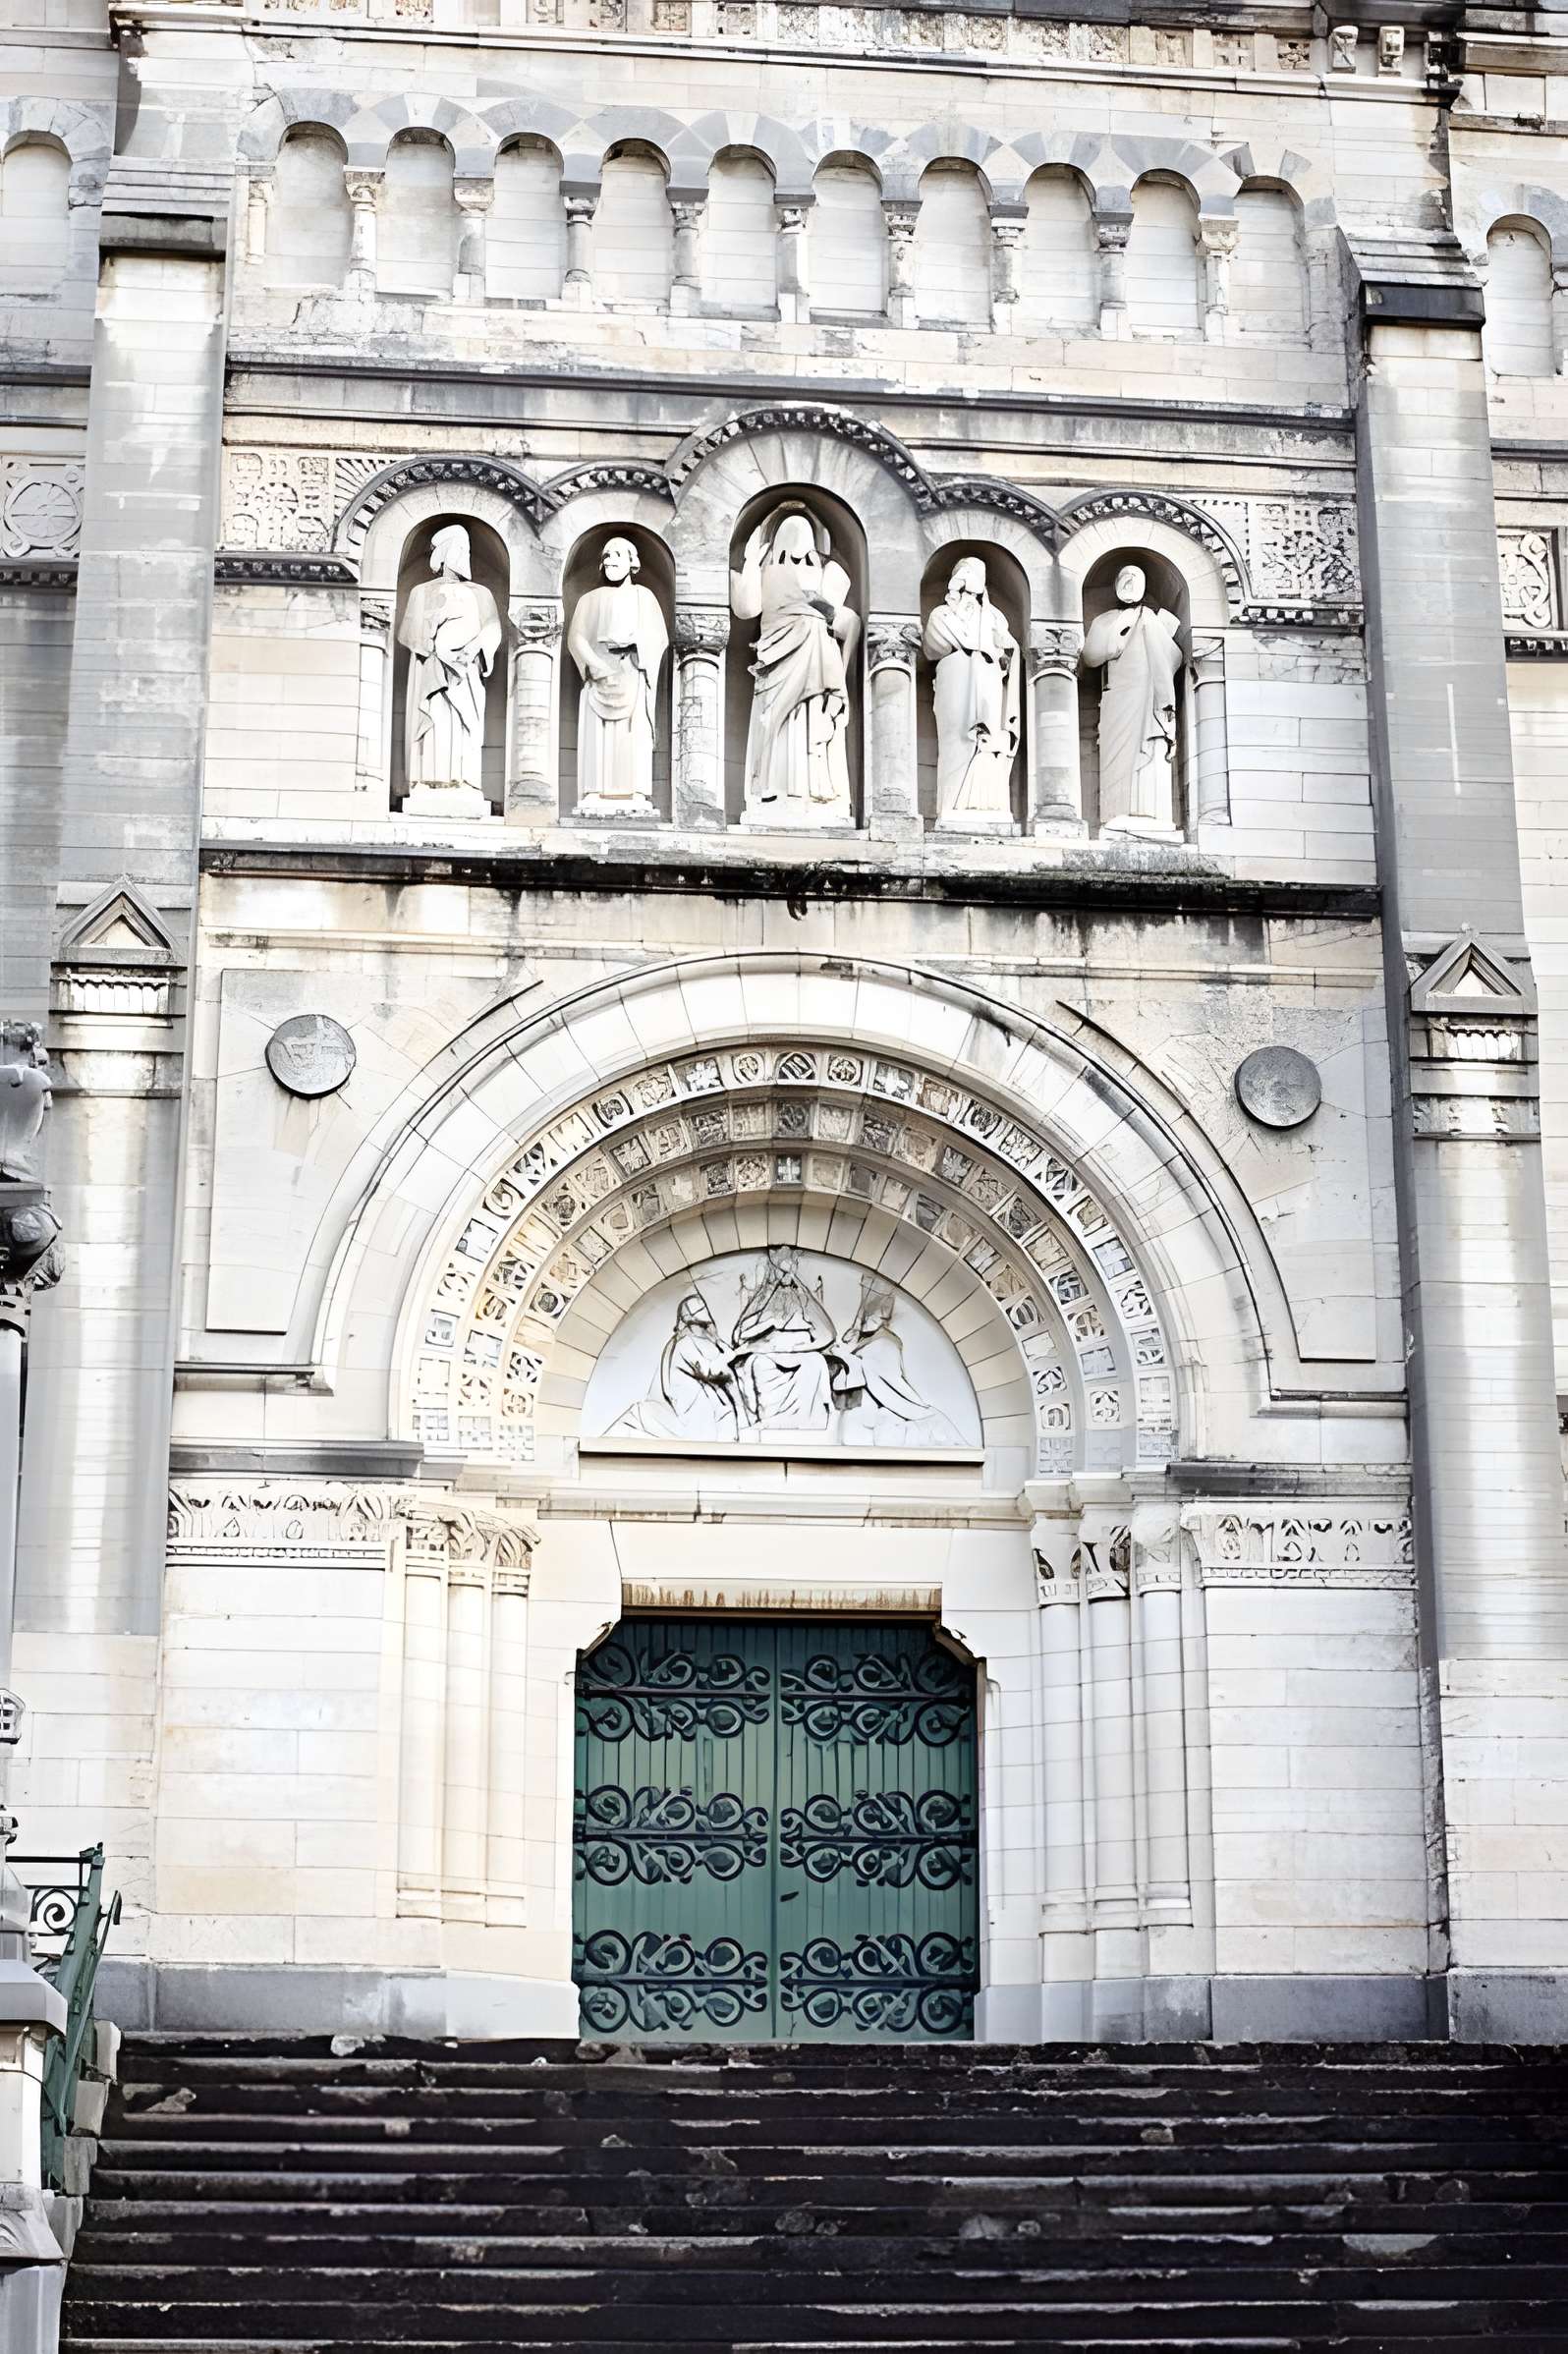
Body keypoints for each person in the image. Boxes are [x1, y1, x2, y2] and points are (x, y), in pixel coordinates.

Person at [730, 508, 859, 823]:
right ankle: (773, 792)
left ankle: (815, 795)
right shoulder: (767, 572)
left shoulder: (827, 576)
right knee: (778, 723)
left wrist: (840, 672)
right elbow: (746, 608)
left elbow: (848, 622)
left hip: (817, 659)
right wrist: (749, 562)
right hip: (776, 659)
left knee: (813, 725)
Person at [398, 523, 503, 804]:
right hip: (432, 669)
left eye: (466, 549)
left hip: (465, 672)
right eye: (458, 548)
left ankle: (465, 782)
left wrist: (475, 648)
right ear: (443, 552)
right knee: (434, 722)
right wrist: (436, 643)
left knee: (463, 724)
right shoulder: (421, 592)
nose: (463, 555)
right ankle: (427, 781)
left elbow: (492, 627)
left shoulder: (482, 593)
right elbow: (409, 633)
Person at [567, 536, 669, 813]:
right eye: (606, 555)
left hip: (633, 674)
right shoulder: (590, 599)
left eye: (617, 555)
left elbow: (658, 638)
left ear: (631, 562)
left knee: (632, 735)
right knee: (597, 739)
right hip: (598, 677)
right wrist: (596, 666)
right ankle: (595, 792)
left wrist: (635, 643)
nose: (610, 560)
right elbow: (576, 638)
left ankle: (634, 792)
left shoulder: (644, 597)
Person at [1081, 561, 1183, 836]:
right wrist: (1119, 633)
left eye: (1135, 578)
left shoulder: (1154, 618)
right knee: (1117, 754)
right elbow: (1090, 656)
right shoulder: (1106, 620)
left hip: (1149, 694)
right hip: (1118, 697)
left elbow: (1174, 657)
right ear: (1116, 586)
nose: (1129, 583)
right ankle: (1116, 813)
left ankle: (1153, 814)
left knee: (1150, 748)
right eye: (1124, 578)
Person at [923, 556, 1021, 821]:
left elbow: (1008, 649)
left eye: (977, 573)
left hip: (988, 678)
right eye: (966, 572)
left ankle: (985, 803)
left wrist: (1003, 652)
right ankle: (952, 803)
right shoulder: (941, 614)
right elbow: (934, 645)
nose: (972, 578)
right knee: (957, 739)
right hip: (955, 679)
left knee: (987, 737)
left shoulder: (994, 617)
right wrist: (977, 641)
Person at [832, 1276, 961, 1445]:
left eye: (883, 1310)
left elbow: (881, 1376)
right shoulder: (864, 1337)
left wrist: (848, 1356)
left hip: (898, 1408)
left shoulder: (885, 1344)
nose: (879, 1315)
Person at [730, 1245, 840, 1429]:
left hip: (802, 1353)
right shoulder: (764, 1299)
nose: (786, 1278)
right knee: (758, 1363)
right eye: (782, 1272)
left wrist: (796, 1348)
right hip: (768, 1354)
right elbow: (740, 1334)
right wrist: (769, 1323)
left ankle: (807, 1421)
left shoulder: (803, 1298)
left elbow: (828, 1334)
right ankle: (769, 1418)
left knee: (815, 1361)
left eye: (790, 1273)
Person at [611, 1292, 747, 1440]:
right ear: (692, 1323)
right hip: (691, 1406)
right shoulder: (685, 1342)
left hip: (694, 1402)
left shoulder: (690, 1340)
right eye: (704, 1324)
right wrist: (731, 1353)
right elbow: (712, 1371)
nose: (708, 1329)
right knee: (722, 1416)